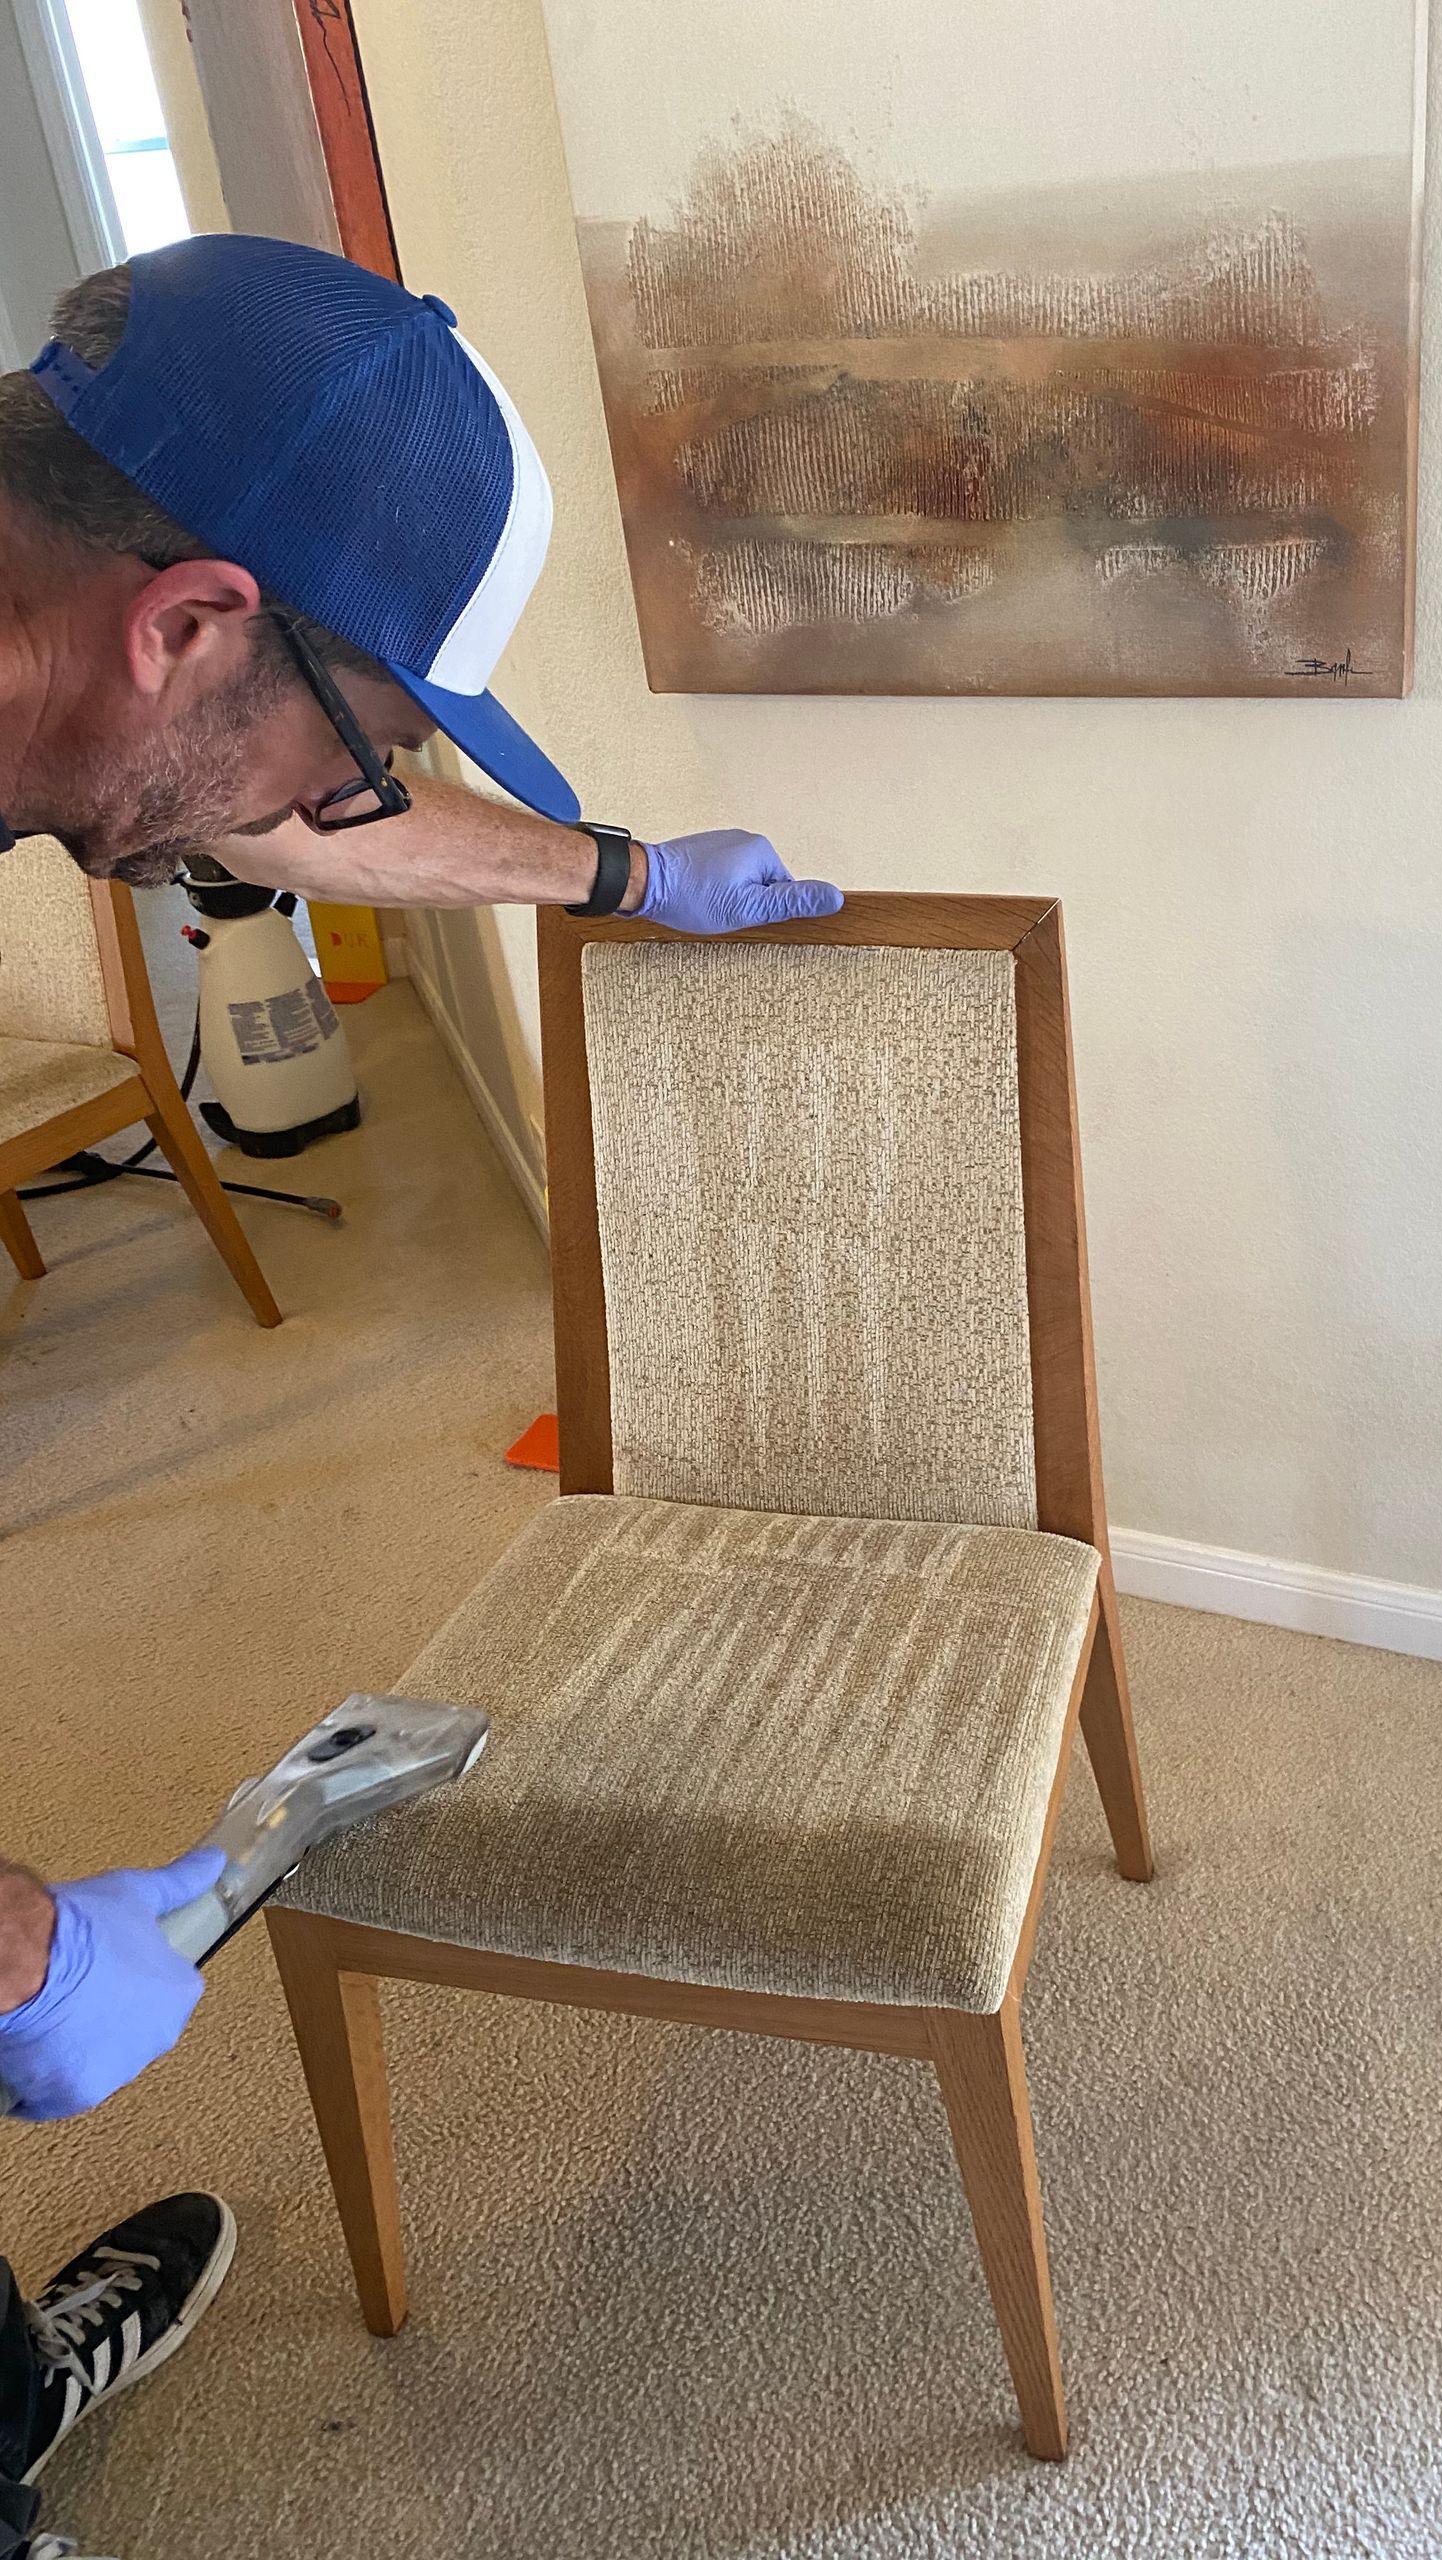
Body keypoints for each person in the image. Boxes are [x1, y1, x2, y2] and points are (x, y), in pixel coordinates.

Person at [0, 229, 846, 2560]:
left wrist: (621, 871)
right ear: (187, 622)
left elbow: (253, 800)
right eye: (371, 721)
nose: (357, 791)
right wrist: (16, 1952)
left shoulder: (65, 639)